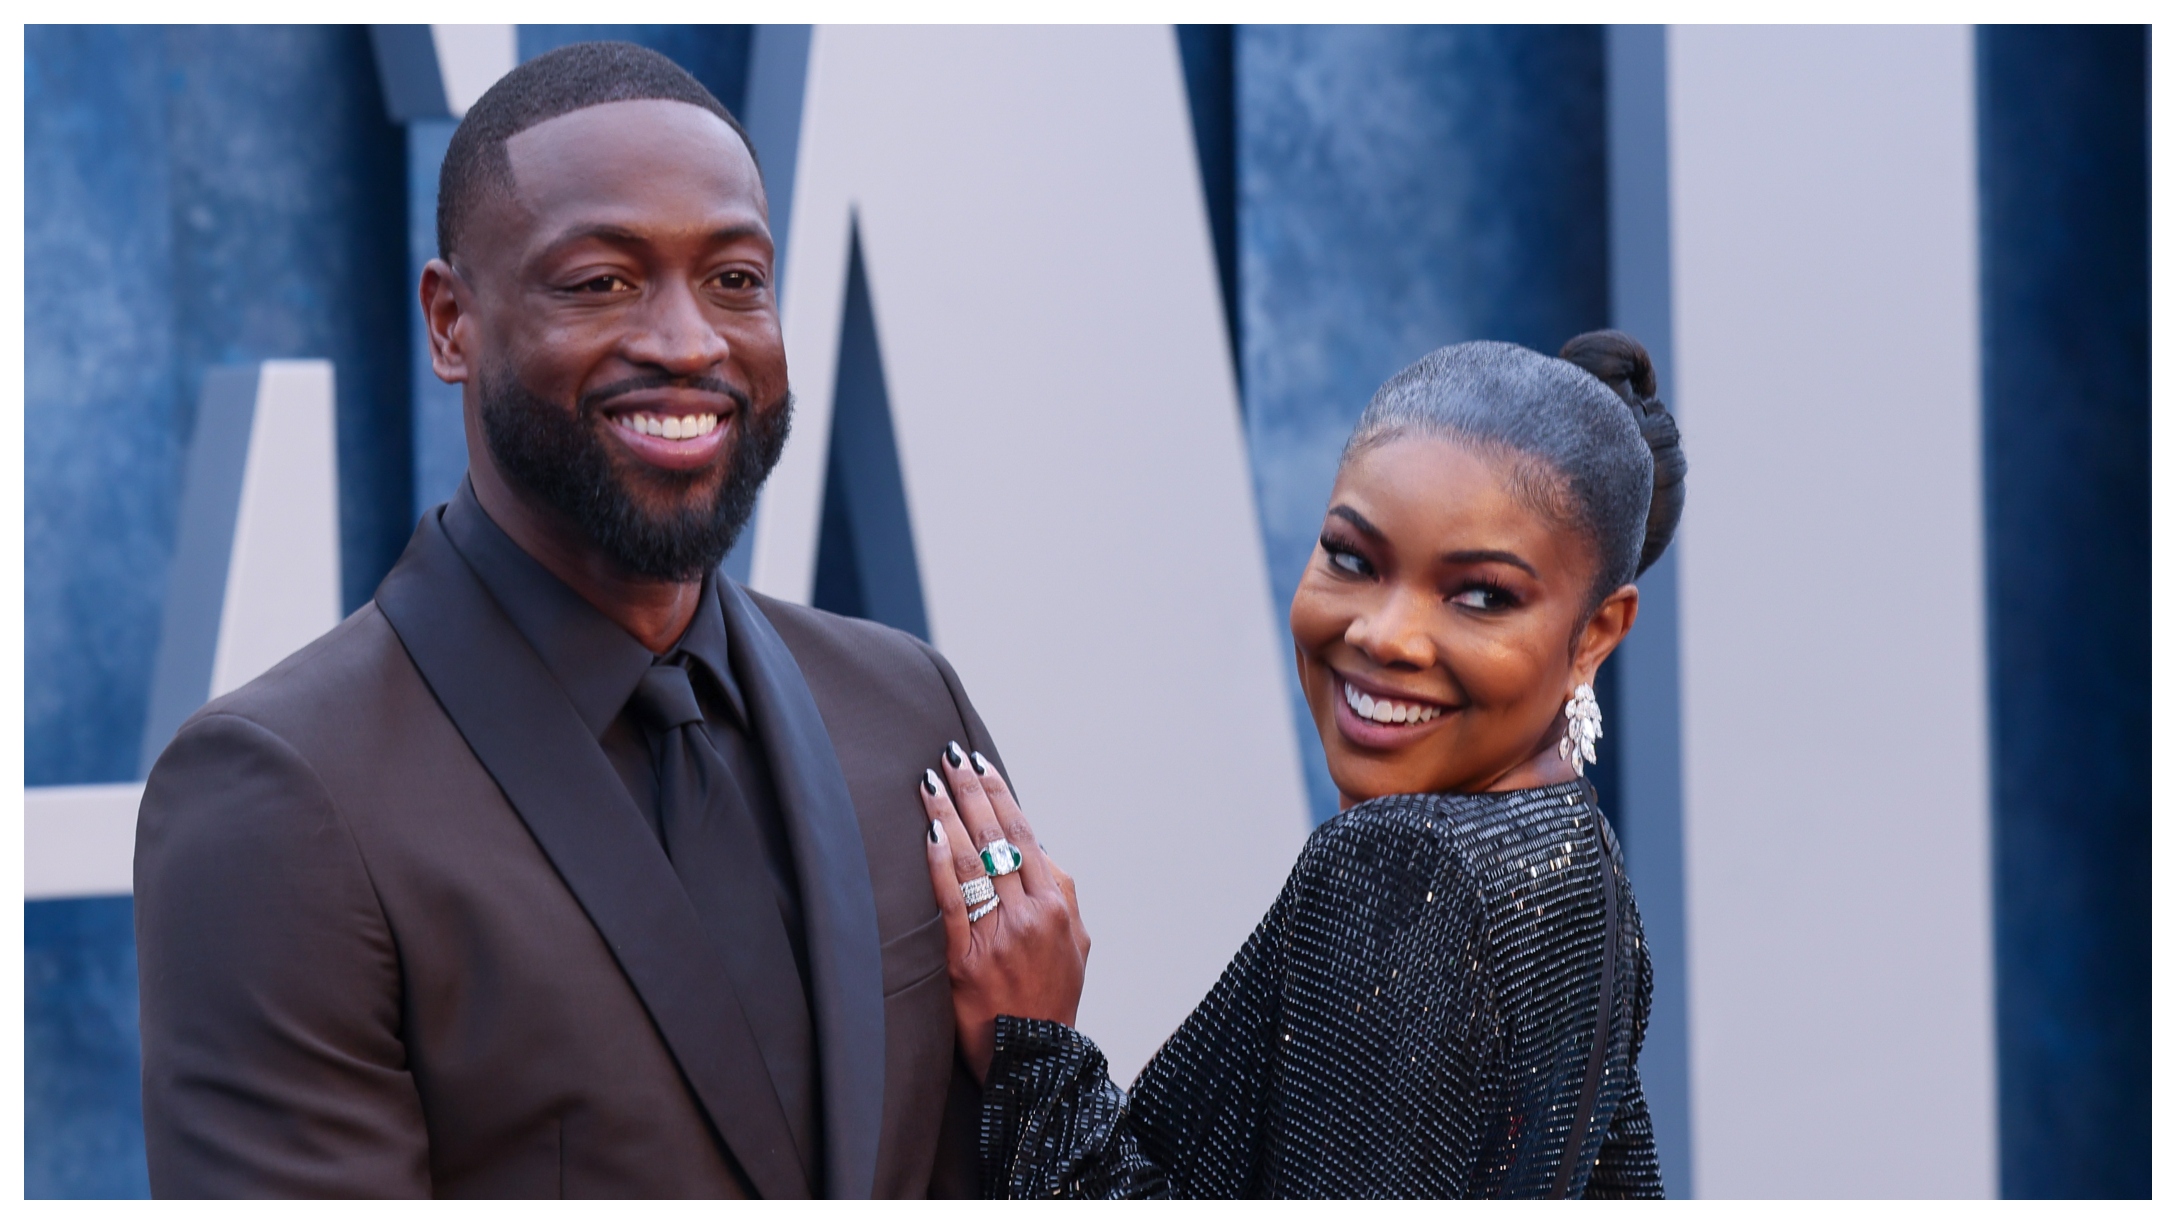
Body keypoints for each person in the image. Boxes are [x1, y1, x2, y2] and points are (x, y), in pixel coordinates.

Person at [134, 43, 997, 1198]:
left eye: (736, 280)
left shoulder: (902, 707)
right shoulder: (283, 796)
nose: (690, 343)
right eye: (602, 281)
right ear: (452, 323)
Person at [916, 332, 1686, 1198]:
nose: (1381, 635)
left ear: (1596, 634)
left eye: (1480, 596)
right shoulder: (1583, 862)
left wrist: (1032, 1051)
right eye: (1352, 560)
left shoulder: (1400, 869)